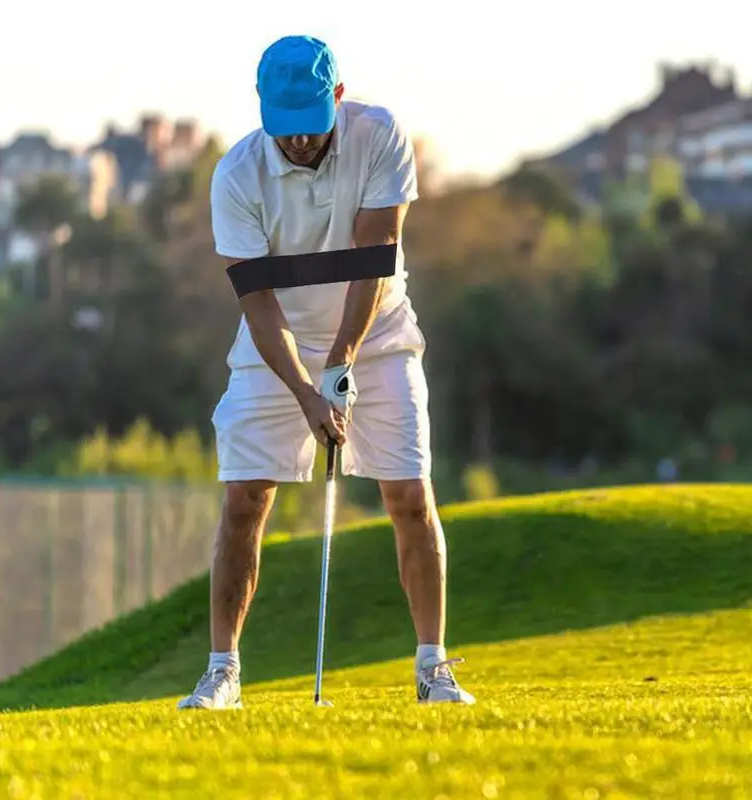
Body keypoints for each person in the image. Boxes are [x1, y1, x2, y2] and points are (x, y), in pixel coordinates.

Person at [177, 34, 475, 709]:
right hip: (275, 342)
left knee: (409, 494)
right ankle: (222, 671)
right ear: (261, 109)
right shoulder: (236, 176)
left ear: (336, 98)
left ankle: (433, 668)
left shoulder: (380, 136)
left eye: (311, 128)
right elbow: (257, 304)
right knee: (245, 500)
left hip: (377, 331)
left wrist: (340, 363)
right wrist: (308, 393)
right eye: (285, 131)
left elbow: (373, 262)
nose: (300, 144)